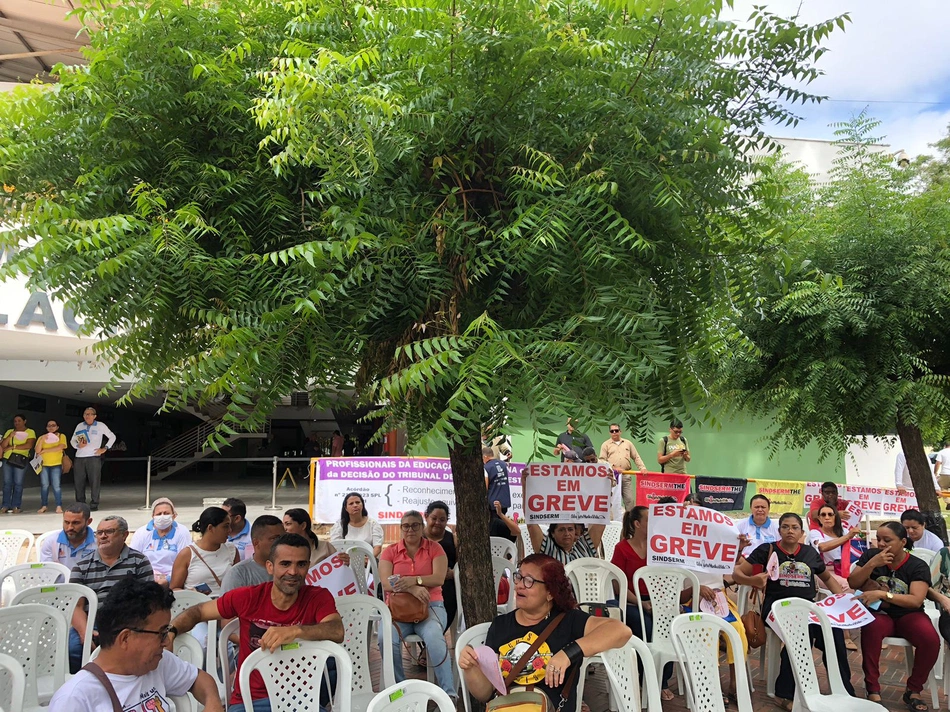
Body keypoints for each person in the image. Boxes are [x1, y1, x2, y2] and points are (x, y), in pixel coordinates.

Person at [168, 533, 344, 712]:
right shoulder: (249, 596)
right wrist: (171, 631)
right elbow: (198, 611)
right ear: (270, 567)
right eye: (285, 564)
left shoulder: (317, 597)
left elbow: (337, 630)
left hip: (300, 699)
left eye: (301, 564)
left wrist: (295, 631)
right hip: (249, 700)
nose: (293, 572)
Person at [458, 553, 631, 711]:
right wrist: (470, 667)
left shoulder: (568, 621)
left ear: (550, 592)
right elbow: (484, 694)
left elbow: (620, 631)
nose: (519, 585)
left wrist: (568, 653)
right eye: (518, 577)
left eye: (529, 581)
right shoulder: (501, 625)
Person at [734, 512, 854, 709]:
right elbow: (738, 574)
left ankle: (844, 689)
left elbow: (829, 579)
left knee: (833, 633)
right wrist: (752, 580)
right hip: (776, 608)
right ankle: (785, 693)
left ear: (801, 532)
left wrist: (842, 600)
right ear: (779, 530)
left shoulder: (809, 553)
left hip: (807, 608)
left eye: (794, 527)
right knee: (801, 632)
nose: (790, 531)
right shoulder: (767, 550)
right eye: (785, 527)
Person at [49, 578, 223, 712]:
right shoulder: (74, 700)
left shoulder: (156, 663)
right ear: (125, 638)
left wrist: (213, 702)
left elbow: (199, 679)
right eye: (162, 633)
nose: (167, 641)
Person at [850, 521, 939, 709]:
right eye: (879, 539)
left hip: (909, 614)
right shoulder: (871, 556)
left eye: (887, 540)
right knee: (871, 628)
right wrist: (872, 564)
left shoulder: (917, 565)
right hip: (880, 612)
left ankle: (913, 690)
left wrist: (884, 594)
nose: (881, 544)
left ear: (903, 542)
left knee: (930, 639)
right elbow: (853, 582)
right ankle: (872, 688)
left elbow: (915, 600)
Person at [378, 510, 455, 699]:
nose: (410, 529)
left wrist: (413, 581)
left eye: (415, 525)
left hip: (431, 607)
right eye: (406, 526)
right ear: (400, 529)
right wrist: (412, 589)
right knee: (385, 638)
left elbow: (438, 578)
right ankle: (400, 692)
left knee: (435, 638)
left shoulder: (435, 549)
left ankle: (448, 695)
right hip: (398, 609)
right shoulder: (390, 551)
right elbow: (387, 583)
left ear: (422, 527)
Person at [69, 515, 154, 673]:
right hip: (91, 622)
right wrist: (86, 633)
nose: (102, 536)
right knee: (73, 650)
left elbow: (148, 600)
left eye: (109, 531)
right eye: (99, 532)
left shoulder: (139, 561)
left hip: (127, 622)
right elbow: (76, 606)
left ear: (124, 535)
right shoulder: (81, 566)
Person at [170, 506, 239, 596]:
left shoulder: (231, 550)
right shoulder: (187, 554)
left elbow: (239, 582)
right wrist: (192, 593)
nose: (229, 530)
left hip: (226, 605)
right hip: (197, 606)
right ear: (210, 528)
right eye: (225, 526)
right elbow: (174, 589)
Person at [130, 497, 194, 585]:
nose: (162, 516)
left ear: (174, 515)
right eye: (159, 514)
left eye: (166, 513)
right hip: (146, 579)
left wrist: (167, 579)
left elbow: (185, 561)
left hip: (174, 579)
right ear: (153, 516)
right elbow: (133, 558)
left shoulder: (182, 532)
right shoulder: (142, 532)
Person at [69, 407, 116, 511]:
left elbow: (112, 436)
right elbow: (72, 440)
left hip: (94, 457)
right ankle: (80, 503)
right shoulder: (80, 425)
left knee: (94, 481)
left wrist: (105, 448)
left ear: (95, 416)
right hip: (80, 457)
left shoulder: (100, 425)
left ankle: (94, 504)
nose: (87, 416)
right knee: (78, 482)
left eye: (90, 414)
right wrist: (77, 446)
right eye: (86, 414)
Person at [424, 501, 458, 630]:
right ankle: (426, 642)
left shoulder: (453, 539)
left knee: (450, 597)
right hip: (422, 581)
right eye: (434, 518)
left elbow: (460, 564)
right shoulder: (417, 538)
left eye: (442, 520)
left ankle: (437, 633)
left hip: (446, 582)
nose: (438, 522)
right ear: (426, 516)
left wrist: (454, 573)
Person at [599, 423, 647, 511]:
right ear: (610, 433)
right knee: (612, 500)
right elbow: (602, 461)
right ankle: (612, 522)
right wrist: (613, 467)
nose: (614, 432)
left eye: (616, 431)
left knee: (629, 500)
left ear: (620, 432)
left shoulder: (628, 443)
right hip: (612, 476)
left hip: (626, 475)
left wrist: (642, 468)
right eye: (612, 431)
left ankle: (629, 522)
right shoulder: (605, 445)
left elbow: (636, 457)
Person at [39, 502, 97, 569]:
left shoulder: (99, 542)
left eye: (76, 523)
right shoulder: (51, 541)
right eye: (66, 522)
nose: (70, 527)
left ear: (88, 522)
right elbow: (47, 572)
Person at [328, 491, 384, 557]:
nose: (355, 505)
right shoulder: (339, 525)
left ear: (362, 505)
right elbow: (335, 547)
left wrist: (368, 560)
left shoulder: (373, 524)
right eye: (351, 504)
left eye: (357, 502)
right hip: (347, 562)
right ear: (346, 508)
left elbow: (377, 548)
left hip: (369, 562)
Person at [526, 520, 604, 566]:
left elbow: (601, 520)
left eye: (570, 529)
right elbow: (531, 524)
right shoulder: (547, 548)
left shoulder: (583, 547)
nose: (567, 533)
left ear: (575, 531)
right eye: (561, 530)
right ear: (553, 533)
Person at [0, 413, 36, 514]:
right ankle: (5, 505)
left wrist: (12, 447)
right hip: (8, 459)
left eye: (19, 421)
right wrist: (9, 437)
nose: (17, 423)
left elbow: (29, 445)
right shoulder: (10, 431)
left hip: (21, 459)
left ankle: (16, 505)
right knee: (7, 483)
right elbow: (3, 445)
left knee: (18, 483)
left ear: (24, 421)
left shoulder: (30, 432)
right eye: (15, 421)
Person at [35, 418, 67, 513]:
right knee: (44, 485)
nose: (51, 427)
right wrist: (42, 440)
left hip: (56, 464)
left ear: (57, 427)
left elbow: (61, 447)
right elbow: (37, 450)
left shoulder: (61, 436)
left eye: (53, 425)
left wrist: (45, 451)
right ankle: (44, 505)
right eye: (49, 425)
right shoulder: (42, 437)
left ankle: (58, 505)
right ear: (46, 427)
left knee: (56, 486)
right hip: (44, 464)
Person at [737, 494, 781, 558]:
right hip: (744, 561)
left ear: (768, 509)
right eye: (757, 507)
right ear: (751, 508)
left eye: (763, 507)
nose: (760, 510)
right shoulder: (740, 525)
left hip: (767, 562)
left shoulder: (776, 528)